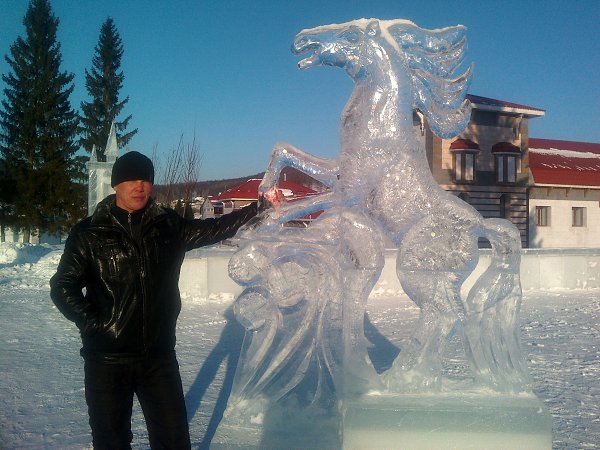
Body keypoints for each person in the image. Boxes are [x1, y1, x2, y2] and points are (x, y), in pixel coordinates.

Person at [50, 151, 259, 449]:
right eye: (132, 179)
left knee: (173, 439)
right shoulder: (89, 232)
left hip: (158, 358)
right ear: (116, 185)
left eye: (145, 179)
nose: (140, 186)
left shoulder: (168, 225)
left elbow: (215, 229)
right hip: (106, 360)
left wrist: (259, 209)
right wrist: (94, 324)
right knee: (111, 440)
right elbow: (63, 286)